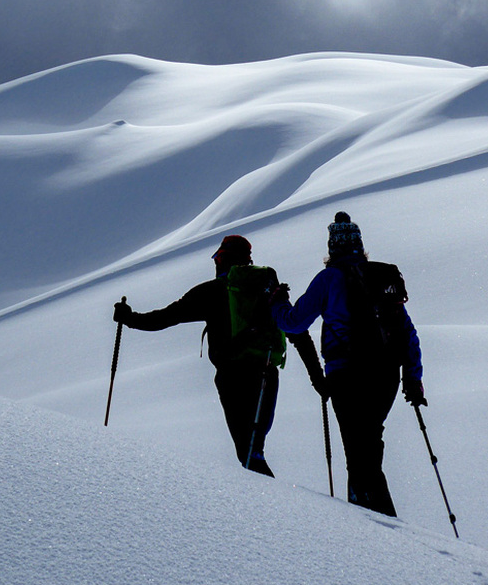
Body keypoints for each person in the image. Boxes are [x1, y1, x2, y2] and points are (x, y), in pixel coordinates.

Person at [270, 212, 425, 517]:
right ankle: (379, 522)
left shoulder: (328, 279)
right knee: (369, 445)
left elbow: (295, 323)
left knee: (358, 454)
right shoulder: (381, 277)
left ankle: (376, 526)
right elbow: (408, 333)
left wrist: (277, 303)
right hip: (386, 376)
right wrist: (413, 377)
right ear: (360, 246)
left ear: (332, 248)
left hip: (347, 375)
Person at [113, 234, 287, 477]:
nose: (215, 262)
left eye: (218, 257)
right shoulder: (265, 289)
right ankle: (277, 508)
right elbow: (290, 324)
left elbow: (164, 318)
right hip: (266, 371)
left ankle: (275, 511)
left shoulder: (210, 292)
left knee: (248, 454)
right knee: (253, 450)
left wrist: (129, 318)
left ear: (223, 260)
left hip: (232, 376)